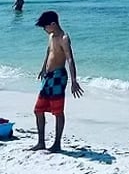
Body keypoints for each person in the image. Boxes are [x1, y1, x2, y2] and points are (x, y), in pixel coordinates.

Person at [30, 10, 84, 153]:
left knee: (58, 111)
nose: (44, 29)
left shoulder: (64, 38)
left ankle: (57, 144)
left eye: (45, 27)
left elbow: (70, 59)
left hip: (58, 77)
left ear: (53, 24)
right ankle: (41, 142)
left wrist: (74, 80)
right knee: (38, 109)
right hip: (48, 76)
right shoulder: (51, 36)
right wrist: (43, 68)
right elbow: (49, 52)